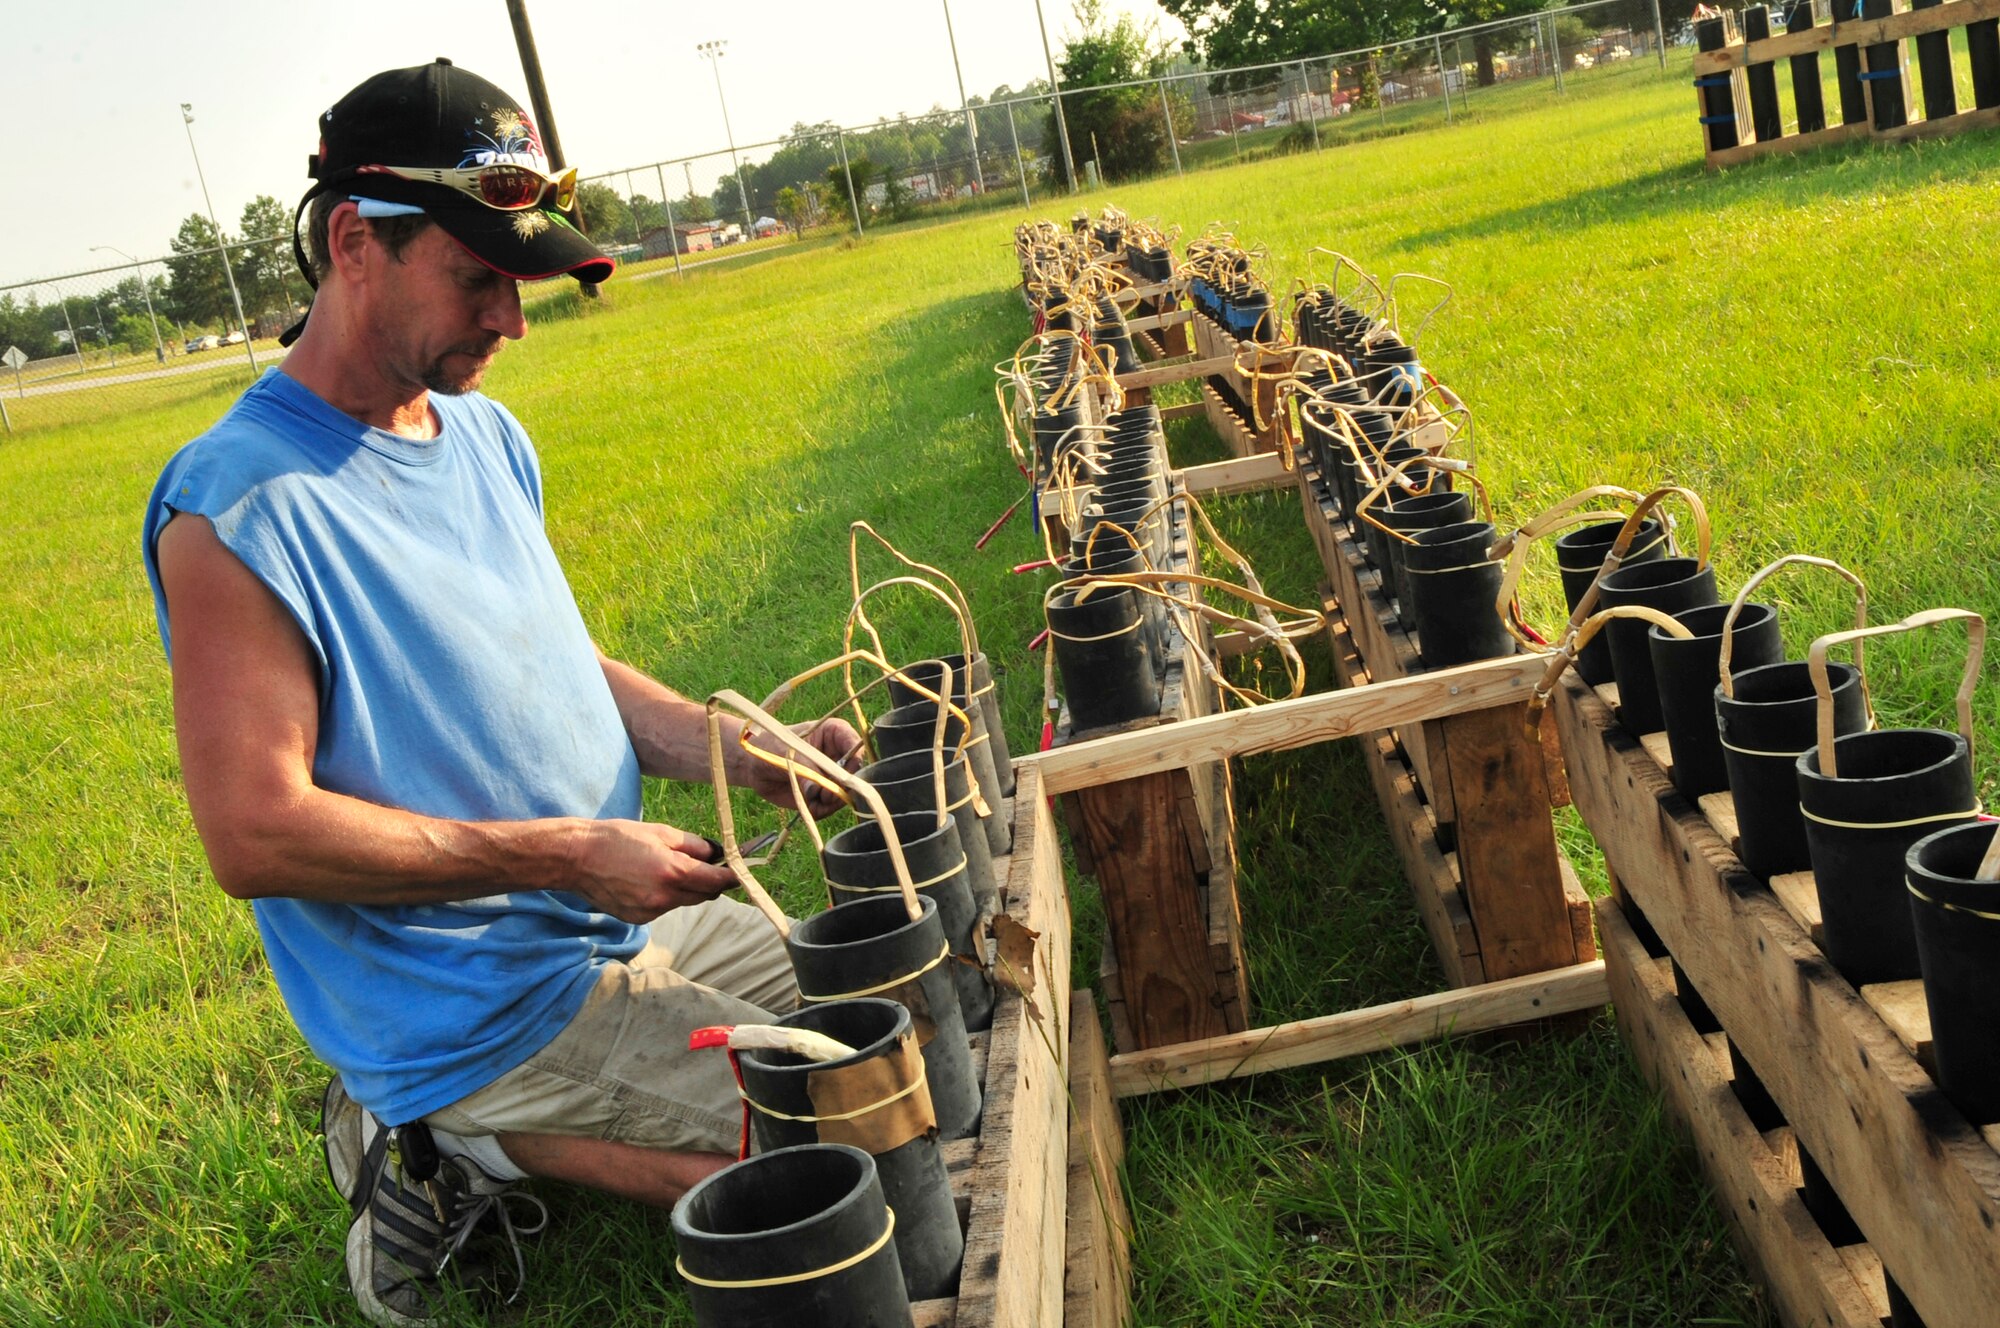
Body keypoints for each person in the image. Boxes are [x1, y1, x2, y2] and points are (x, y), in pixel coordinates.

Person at [140, 58, 856, 1327]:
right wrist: (570, 854)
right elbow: (253, 832)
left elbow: (555, 667)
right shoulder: (238, 509)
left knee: (887, 1036)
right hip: (485, 1004)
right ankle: (437, 1135)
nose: (512, 322)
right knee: (851, 1162)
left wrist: (735, 751)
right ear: (356, 241)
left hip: (627, 932)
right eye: (479, 279)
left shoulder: (478, 432)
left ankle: (452, 1126)